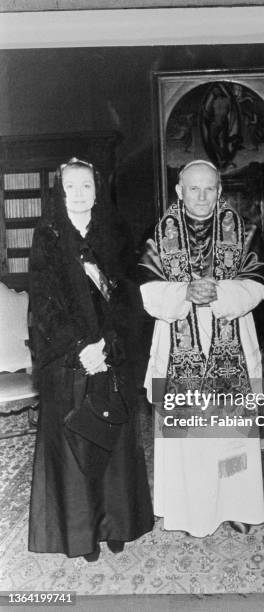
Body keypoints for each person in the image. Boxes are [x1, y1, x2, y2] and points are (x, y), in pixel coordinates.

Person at [28, 157, 154, 561]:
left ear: (98, 190)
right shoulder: (46, 237)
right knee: (75, 443)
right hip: (67, 359)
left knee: (113, 443)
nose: (79, 195)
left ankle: (115, 524)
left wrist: (108, 344)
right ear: (59, 192)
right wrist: (82, 345)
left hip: (112, 356)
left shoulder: (116, 232)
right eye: (71, 187)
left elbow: (130, 297)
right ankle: (83, 534)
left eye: (87, 186)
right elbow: (43, 304)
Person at [139, 159, 264, 537]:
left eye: (209, 188)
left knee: (230, 438)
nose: (201, 196)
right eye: (193, 189)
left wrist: (219, 292)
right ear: (179, 191)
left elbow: (259, 283)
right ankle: (186, 509)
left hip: (230, 345)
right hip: (178, 348)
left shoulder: (243, 230)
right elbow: (146, 291)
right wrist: (183, 292)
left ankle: (235, 505)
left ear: (220, 191)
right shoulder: (158, 234)